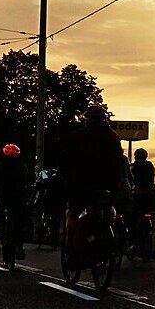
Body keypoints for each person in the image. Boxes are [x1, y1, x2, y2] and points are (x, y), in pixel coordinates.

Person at [59, 105, 124, 261]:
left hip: (82, 185)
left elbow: (66, 161)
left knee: (73, 213)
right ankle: (110, 243)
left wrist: (64, 179)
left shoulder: (78, 136)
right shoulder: (112, 137)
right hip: (107, 186)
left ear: (87, 120)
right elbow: (118, 162)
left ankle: (71, 249)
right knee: (107, 212)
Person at [0, 143, 30, 259]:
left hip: (5, 197)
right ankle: (19, 246)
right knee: (20, 221)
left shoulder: (0, 166)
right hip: (17, 198)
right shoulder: (22, 166)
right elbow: (28, 181)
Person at [130, 147, 155, 235]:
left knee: (133, 214)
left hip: (137, 194)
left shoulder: (134, 166)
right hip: (149, 194)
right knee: (147, 212)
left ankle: (133, 234)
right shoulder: (150, 165)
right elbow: (152, 179)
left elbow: (131, 179)